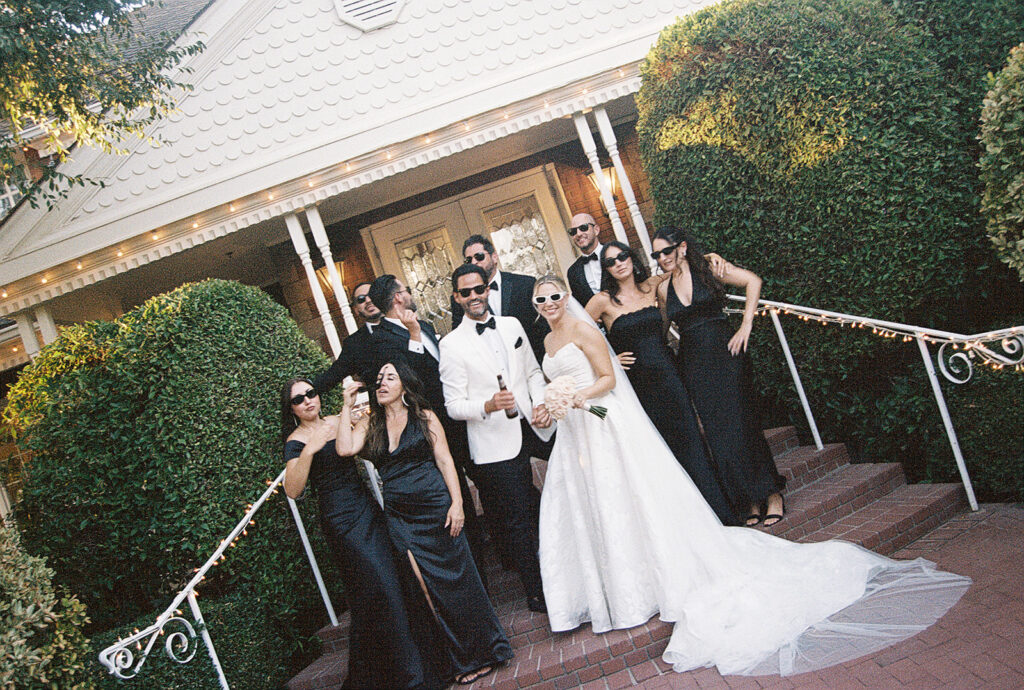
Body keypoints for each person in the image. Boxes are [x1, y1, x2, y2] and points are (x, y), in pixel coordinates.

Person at [531, 275, 970, 677]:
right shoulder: (548, 340)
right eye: (542, 299)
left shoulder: (584, 330)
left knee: (629, 496)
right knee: (602, 505)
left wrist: (571, 394)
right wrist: (551, 402)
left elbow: (606, 378)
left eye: (555, 296)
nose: (550, 302)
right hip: (577, 436)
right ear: (535, 305)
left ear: (565, 297)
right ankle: (617, 589)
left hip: (603, 424)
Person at [336, 361, 512, 685]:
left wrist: (458, 504)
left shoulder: (424, 416)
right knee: (425, 588)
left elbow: (445, 459)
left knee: (459, 582)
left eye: (390, 377)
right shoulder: (370, 422)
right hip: (400, 516)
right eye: (379, 379)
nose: (383, 383)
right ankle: (455, 658)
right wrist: (347, 405)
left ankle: (484, 651)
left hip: (436, 507)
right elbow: (345, 448)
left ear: (405, 384)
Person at [281, 378, 439, 689]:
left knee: (393, 580)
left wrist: (360, 416)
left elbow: (363, 444)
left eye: (311, 393)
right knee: (380, 585)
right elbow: (293, 489)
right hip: (340, 521)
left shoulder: (338, 420)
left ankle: (417, 667)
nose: (308, 401)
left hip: (366, 508)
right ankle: (409, 678)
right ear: (292, 409)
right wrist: (310, 451)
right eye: (299, 399)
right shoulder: (295, 440)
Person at [586, 241, 739, 525]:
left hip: (670, 374)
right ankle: (683, 521)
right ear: (605, 269)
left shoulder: (653, 285)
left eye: (622, 256)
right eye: (610, 261)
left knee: (693, 440)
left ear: (632, 258)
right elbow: (577, 338)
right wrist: (607, 362)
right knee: (659, 449)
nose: (618, 263)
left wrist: (710, 255)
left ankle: (719, 513)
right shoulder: (602, 301)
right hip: (638, 386)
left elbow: (681, 262)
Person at [440, 264, 555, 613]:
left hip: (535, 426)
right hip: (493, 443)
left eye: (480, 289)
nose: (475, 296)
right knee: (518, 519)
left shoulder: (511, 325)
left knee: (559, 496)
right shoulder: (451, 344)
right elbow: (453, 406)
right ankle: (538, 591)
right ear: (457, 298)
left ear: (488, 288)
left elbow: (533, 372)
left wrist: (540, 403)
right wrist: (487, 404)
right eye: (466, 292)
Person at [654, 227, 785, 526]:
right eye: (656, 254)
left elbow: (753, 281)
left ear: (682, 247)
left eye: (667, 251)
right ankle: (750, 500)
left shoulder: (709, 268)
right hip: (694, 363)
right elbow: (659, 329)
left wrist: (746, 325)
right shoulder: (662, 289)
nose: (662, 258)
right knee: (718, 433)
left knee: (743, 423)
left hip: (726, 352)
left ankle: (772, 493)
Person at [363, 274, 489, 582]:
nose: (408, 293)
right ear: (397, 299)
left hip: (459, 422)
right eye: (405, 290)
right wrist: (415, 335)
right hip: (428, 431)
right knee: (453, 496)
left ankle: (498, 559)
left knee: (486, 486)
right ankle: (475, 578)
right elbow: (413, 381)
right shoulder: (380, 341)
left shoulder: (427, 327)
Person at [450, 234, 549, 364]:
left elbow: (544, 327)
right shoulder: (463, 298)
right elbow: (462, 338)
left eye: (479, 257)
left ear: (494, 257)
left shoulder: (525, 284)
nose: (474, 262)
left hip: (534, 361)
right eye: (468, 260)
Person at [313, 281, 382, 395]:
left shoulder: (407, 325)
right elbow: (332, 376)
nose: (368, 300)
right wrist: (304, 391)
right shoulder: (354, 344)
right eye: (361, 299)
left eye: (372, 295)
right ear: (356, 309)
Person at [564, 213, 604, 307]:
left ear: (596, 230)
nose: (578, 234)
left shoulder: (616, 253)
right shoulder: (573, 272)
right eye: (573, 231)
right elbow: (580, 306)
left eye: (583, 227)